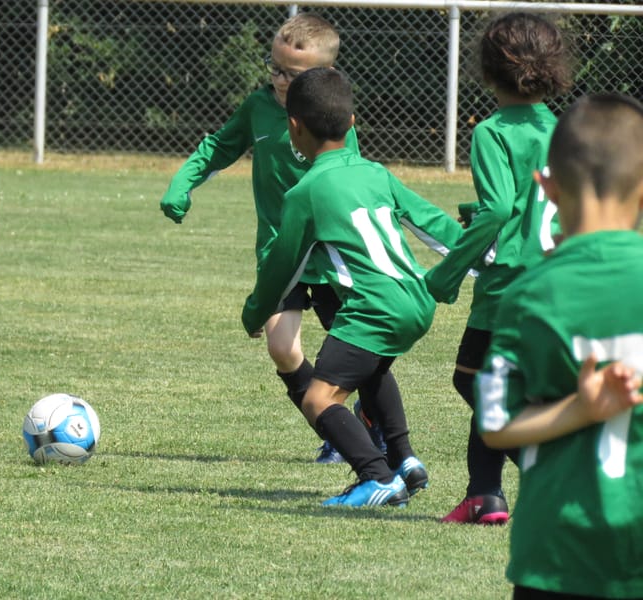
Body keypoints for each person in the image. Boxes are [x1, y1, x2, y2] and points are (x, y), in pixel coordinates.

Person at [160, 12, 384, 463]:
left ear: (325, 75)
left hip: (331, 251)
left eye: (292, 74)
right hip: (280, 253)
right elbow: (218, 147)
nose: (280, 80)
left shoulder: (333, 120)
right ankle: (337, 432)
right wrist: (182, 183)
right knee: (283, 349)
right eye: (275, 68)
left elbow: (353, 179)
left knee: (354, 354)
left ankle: (374, 429)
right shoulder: (258, 107)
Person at [242, 67, 462, 506]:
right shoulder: (375, 173)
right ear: (353, 123)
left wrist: (253, 313)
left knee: (319, 399)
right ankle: (404, 460)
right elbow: (433, 223)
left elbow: (281, 270)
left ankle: (375, 477)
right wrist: (485, 258)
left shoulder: (305, 193)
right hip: (415, 297)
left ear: (293, 127)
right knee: (372, 371)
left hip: (373, 308)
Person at [476, 93, 643, 599]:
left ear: (546, 187)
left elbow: (496, 425)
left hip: (555, 553)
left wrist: (580, 409)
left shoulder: (528, 294)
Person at [423, 12, 571, 524]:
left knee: (473, 383)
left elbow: (499, 209)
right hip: (557, 277)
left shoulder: (491, 131)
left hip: (510, 283)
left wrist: (444, 275)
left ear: (486, 71)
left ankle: (556, 473)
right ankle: (483, 494)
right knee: (498, 386)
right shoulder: (565, 130)